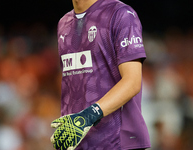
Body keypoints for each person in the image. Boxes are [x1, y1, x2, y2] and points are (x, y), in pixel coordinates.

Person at [50, 0, 151, 150]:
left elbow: (132, 81)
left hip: (118, 142)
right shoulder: (63, 23)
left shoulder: (120, 14)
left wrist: (88, 116)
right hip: (77, 142)